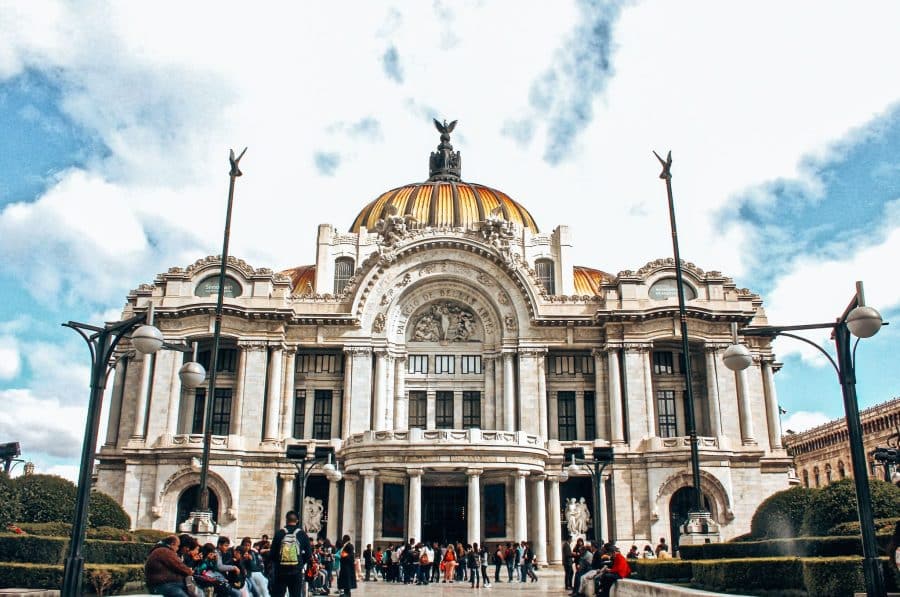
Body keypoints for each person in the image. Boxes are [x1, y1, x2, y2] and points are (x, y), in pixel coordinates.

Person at [269, 510, 312, 597]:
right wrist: (300, 563)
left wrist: (278, 563)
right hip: (296, 571)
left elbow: (272, 554)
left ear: (286, 520)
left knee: (278, 594)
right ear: (297, 521)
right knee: (295, 594)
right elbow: (308, 554)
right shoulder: (302, 534)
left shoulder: (279, 533)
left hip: (281, 571)